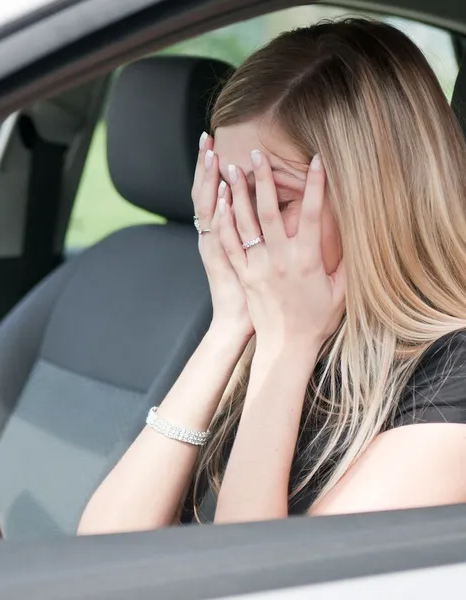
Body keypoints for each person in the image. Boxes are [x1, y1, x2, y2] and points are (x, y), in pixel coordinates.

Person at [77, 17, 466, 533]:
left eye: (270, 199)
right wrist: (228, 328)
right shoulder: (265, 323)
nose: (240, 228)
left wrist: (288, 347)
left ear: (375, 202)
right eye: (226, 195)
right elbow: (103, 549)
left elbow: (252, 575)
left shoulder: (450, 378)